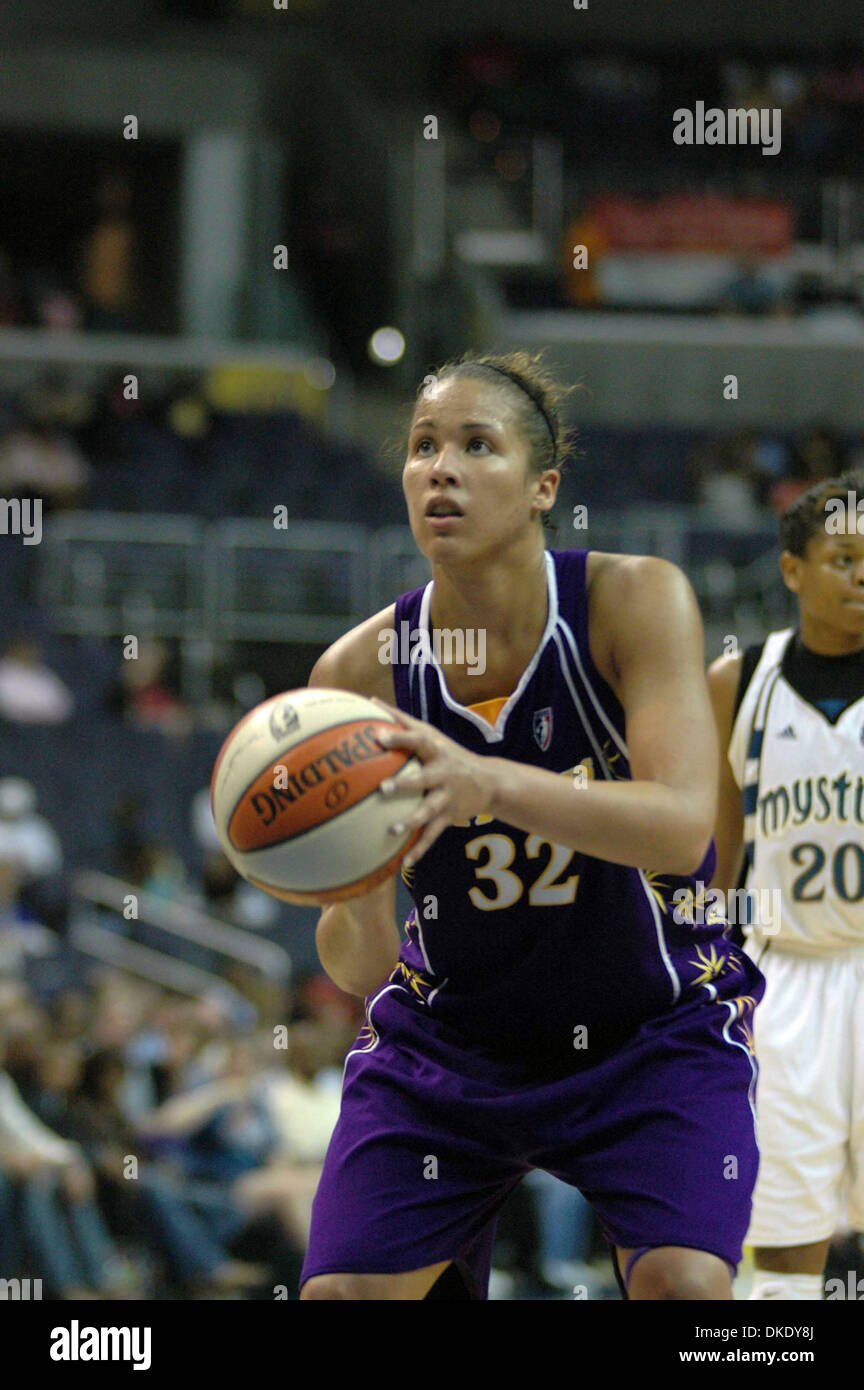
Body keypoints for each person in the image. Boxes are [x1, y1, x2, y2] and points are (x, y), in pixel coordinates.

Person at [297, 350, 765, 1301]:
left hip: (649, 1030)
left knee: (686, 1286)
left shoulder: (633, 599)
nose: (443, 469)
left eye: (479, 445)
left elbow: (681, 831)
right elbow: (357, 968)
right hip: (450, 1047)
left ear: (544, 484)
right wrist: (348, 878)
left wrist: (491, 784)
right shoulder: (354, 682)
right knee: (342, 1297)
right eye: (425, 446)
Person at [707, 470, 864, 1301]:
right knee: (784, 1242)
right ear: (793, 568)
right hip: (786, 975)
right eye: (845, 557)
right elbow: (714, 856)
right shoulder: (739, 682)